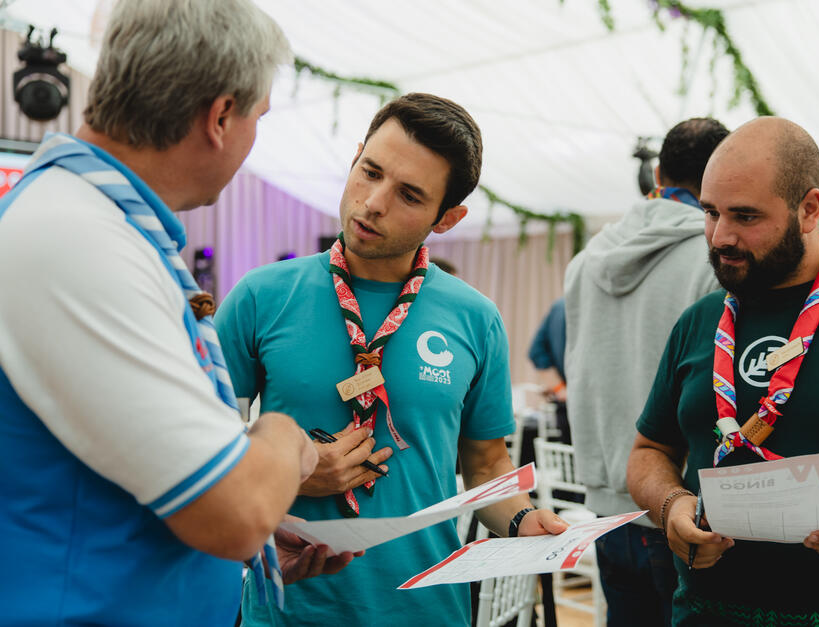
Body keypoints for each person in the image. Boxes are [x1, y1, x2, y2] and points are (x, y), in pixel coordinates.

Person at [0, 2, 357, 625]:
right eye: (258, 118)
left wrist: (224, 556)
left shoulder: (103, 226)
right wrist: (283, 438)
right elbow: (235, 512)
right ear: (220, 116)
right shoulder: (75, 236)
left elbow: (126, 460)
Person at [216, 92, 568, 626]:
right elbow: (198, 442)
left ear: (447, 217)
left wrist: (522, 519)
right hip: (286, 608)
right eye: (370, 171)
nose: (373, 202)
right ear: (356, 156)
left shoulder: (475, 317)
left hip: (423, 607)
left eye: (408, 194)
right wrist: (287, 467)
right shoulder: (261, 296)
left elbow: (487, 464)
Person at [627, 116, 819, 625]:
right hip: (707, 613)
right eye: (710, 212)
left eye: (745, 216)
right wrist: (672, 505)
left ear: (809, 209)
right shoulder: (700, 321)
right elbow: (650, 450)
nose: (720, 237)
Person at [565, 117, 728, 626]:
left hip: (605, 501)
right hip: (676, 500)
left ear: (658, 171)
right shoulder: (714, 260)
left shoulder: (587, 259)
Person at [528, 296, 570, 443]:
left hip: (566, 406)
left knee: (569, 462)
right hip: (589, 406)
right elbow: (536, 351)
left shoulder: (559, 306)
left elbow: (536, 351)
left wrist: (559, 388)